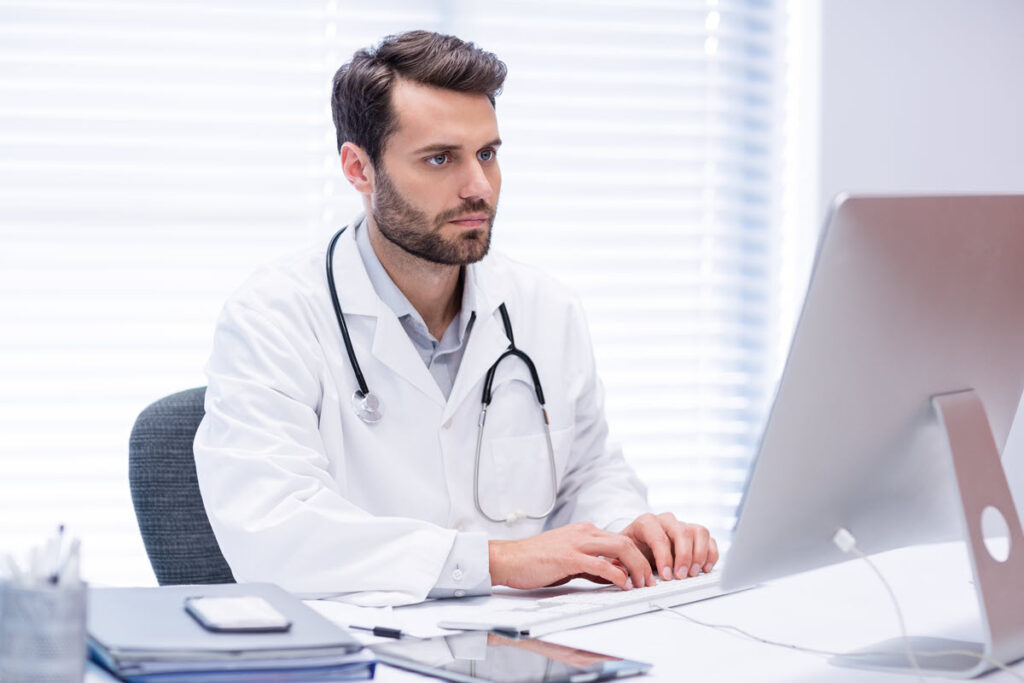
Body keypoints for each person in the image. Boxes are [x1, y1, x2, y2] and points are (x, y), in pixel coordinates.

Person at [194, 30, 718, 606]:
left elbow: (588, 478)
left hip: (530, 644)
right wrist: (495, 561)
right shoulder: (274, 317)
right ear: (358, 169)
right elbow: (274, 531)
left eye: (487, 154)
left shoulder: (547, 309)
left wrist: (628, 530)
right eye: (440, 158)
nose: (478, 188)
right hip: (367, 652)